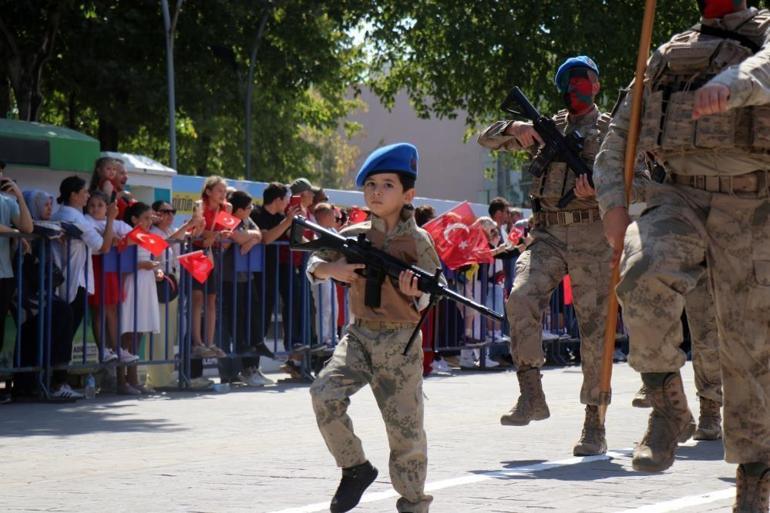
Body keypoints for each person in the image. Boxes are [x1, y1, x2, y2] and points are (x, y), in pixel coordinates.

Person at [594, 3, 770, 508]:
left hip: (752, 204)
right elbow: (622, 133)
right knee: (641, 273)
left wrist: (734, 82)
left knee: (749, 349)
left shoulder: (763, 33)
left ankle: (755, 478)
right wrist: (611, 202)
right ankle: (667, 404)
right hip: (678, 195)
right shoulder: (669, 52)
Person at [478, 55, 613, 456]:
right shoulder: (546, 127)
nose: (577, 87)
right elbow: (486, 137)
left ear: (597, 85)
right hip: (549, 231)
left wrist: (601, 188)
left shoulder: (612, 130)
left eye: (584, 79)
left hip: (593, 232)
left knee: (594, 329)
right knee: (520, 298)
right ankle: (531, 393)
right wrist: (515, 128)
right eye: (570, 80)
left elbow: (639, 182)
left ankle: (594, 422)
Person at [307, 142, 438, 513]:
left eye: (387, 185)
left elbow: (434, 293)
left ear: (408, 194)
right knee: (324, 394)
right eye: (370, 185)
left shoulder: (419, 241)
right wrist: (332, 270)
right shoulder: (355, 232)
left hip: (400, 342)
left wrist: (417, 294)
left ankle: (414, 504)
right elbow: (315, 258)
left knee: (405, 433)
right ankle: (355, 468)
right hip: (359, 336)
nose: (376, 192)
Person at [220, 190, 273, 387]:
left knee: (252, 318)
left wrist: (249, 241)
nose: (252, 210)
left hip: (246, 277)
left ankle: (251, 366)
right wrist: (246, 239)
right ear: (239, 210)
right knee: (236, 323)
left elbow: (259, 234)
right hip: (229, 279)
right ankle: (240, 370)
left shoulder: (247, 220)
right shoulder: (227, 219)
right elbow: (235, 236)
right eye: (249, 207)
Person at [250, 182, 303, 377]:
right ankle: (250, 367)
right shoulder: (256, 214)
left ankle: (256, 366)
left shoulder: (282, 217)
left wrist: (297, 222)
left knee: (269, 312)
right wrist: (287, 222)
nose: (288, 203)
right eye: (287, 200)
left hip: (275, 270)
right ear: (278, 200)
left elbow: (293, 239)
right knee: (259, 316)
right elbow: (267, 238)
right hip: (257, 272)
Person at [148, 200, 201, 388]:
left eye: (172, 211)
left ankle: (166, 375)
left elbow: (178, 247)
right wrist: (188, 225)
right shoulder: (153, 232)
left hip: (172, 283)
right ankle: (157, 377)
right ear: (155, 214)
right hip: (159, 283)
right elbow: (162, 245)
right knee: (159, 332)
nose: (170, 215)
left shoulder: (170, 231)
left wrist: (195, 225)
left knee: (169, 333)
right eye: (165, 211)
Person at [190, 176, 230, 359]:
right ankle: (197, 342)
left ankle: (210, 342)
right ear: (208, 191)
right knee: (197, 297)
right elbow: (196, 232)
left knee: (212, 298)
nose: (223, 194)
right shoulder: (199, 205)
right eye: (220, 190)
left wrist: (215, 236)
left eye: (224, 191)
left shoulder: (226, 208)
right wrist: (212, 234)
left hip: (213, 253)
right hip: (197, 252)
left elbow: (226, 234)